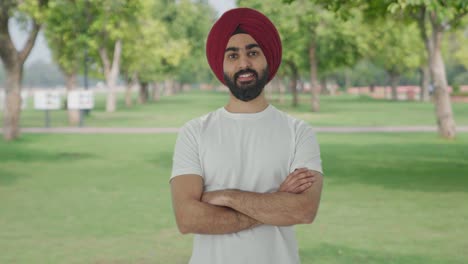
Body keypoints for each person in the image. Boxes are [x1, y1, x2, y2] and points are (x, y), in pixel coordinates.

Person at [170, 7, 323, 264]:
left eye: (252, 52)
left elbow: (305, 210)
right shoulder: (194, 132)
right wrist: (275, 203)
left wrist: (226, 197)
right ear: (221, 64)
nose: (243, 64)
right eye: (232, 55)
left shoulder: (299, 132)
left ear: (267, 59)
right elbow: (187, 219)